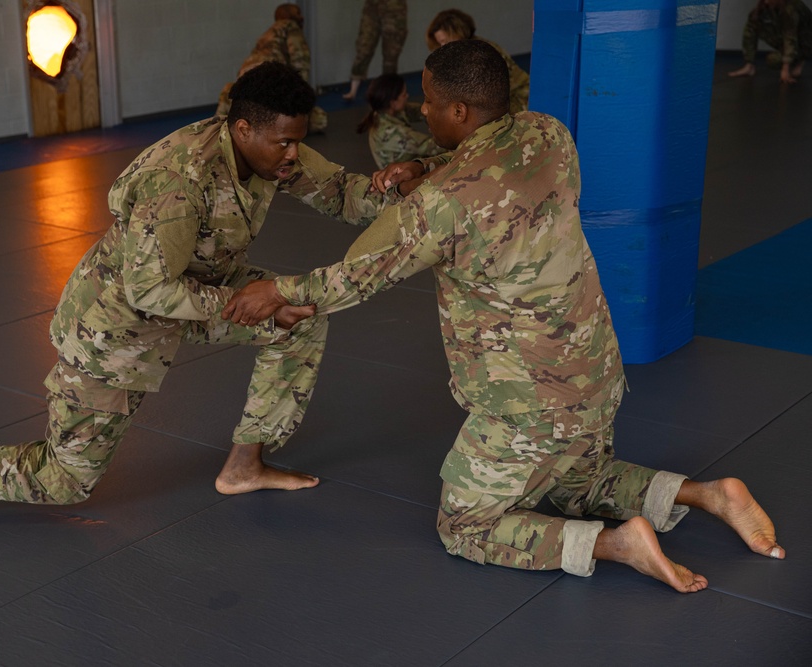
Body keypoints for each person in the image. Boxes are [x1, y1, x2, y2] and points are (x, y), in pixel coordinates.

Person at [222, 40, 785, 593]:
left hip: (529, 402)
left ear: (459, 110)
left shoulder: (445, 203)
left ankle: (617, 546)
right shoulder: (548, 133)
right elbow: (483, 160)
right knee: (579, 482)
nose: (423, 109)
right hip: (594, 373)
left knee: (465, 525)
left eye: (430, 100)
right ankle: (710, 494)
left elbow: (361, 276)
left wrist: (277, 290)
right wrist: (425, 162)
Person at [0, 62, 391, 530]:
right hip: (115, 325)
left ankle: (244, 466)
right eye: (285, 143)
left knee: (297, 317)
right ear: (244, 128)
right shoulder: (179, 181)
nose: (295, 155)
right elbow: (150, 287)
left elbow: (344, 193)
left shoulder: (271, 152)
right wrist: (245, 300)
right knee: (65, 480)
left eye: (299, 140)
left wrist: (402, 189)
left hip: (194, 289)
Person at [216, 4, 328, 133]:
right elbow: (300, 58)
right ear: (287, 15)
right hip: (268, 77)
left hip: (246, 75)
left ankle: (225, 117)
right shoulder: (290, 26)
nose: (301, 16)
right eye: (297, 13)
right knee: (320, 119)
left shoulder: (269, 33)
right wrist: (301, 99)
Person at [426, 8, 529, 114]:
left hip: (518, 100)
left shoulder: (480, 52)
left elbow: (484, 93)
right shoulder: (465, 51)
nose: (444, 47)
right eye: (441, 43)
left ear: (458, 32)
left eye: (446, 41)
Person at [356, 73, 445, 169]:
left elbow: (420, 111)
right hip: (403, 177)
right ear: (393, 103)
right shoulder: (395, 133)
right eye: (403, 94)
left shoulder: (384, 111)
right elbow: (437, 147)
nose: (407, 96)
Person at [728, 0, 811, 84]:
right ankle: (749, 66)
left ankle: (800, 60)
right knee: (752, 23)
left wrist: (785, 69)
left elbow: (790, 36)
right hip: (795, 39)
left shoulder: (790, 8)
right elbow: (752, 25)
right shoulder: (765, 6)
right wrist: (749, 60)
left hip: (807, 42)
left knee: (774, 60)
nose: (766, 2)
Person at [342, 0, 408, 100]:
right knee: (364, 46)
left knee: (391, 53)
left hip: (394, 7)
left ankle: (389, 91)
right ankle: (353, 89)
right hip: (372, 6)